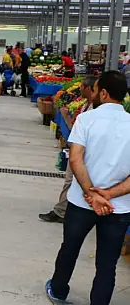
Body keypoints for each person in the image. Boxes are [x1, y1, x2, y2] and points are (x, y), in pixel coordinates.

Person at [45, 71, 130, 305]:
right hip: (118, 207)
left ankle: (59, 291)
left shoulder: (86, 119)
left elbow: (75, 159)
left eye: (94, 90)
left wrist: (91, 193)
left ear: (102, 92)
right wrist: (109, 195)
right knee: (107, 262)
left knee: (70, 248)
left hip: (82, 202)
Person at [39, 76, 99, 224]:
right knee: (71, 181)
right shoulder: (87, 105)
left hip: (82, 151)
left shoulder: (93, 111)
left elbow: (78, 130)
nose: (80, 88)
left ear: (91, 89)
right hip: (80, 149)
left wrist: (66, 116)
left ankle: (62, 212)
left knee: (71, 180)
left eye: (83, 86)